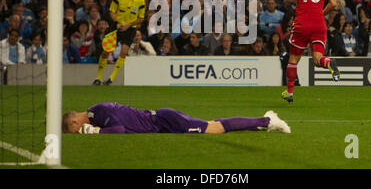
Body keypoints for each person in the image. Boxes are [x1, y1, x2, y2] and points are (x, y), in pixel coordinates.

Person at [273, 0, 340, 103]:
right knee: (317, 59)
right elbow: (334, 4)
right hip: (319, 24)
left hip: (302, 23)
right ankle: (328, 62)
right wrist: (321, 13)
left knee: (293, 59)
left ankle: (289, 92)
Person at [62, 102, 291, 134]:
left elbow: (120, 130)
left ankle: (267, 121)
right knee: (213, 125)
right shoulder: (95, 112)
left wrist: (95, 132)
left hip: (166, 121)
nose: (80, 131)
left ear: (75, 122)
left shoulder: (98, 114)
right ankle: (263, 123)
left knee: (216, 129)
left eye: (75, 130)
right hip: (163, 119)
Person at [92, 0, 145, 86]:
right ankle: (98, 77)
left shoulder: (141, 1)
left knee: (124, 52)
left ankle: (111, 78)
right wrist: (117, 23)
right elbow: (112, 12)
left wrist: (128, 25)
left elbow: (141, 18)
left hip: (130, 29)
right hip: (116, 26)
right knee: (106, 51)